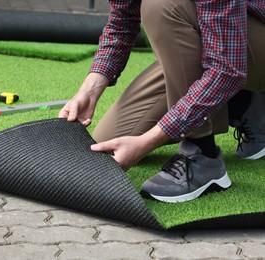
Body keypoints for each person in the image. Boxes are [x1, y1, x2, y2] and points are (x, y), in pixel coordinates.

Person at [59, 0, 265, 203]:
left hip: (243, 47)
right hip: (220, 41)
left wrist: (147, 142)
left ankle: (202, 156)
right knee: (111, 137)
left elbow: (228, 71)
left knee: (161, 5)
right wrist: (89, 90)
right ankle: (245, 105)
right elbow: (122, 21)